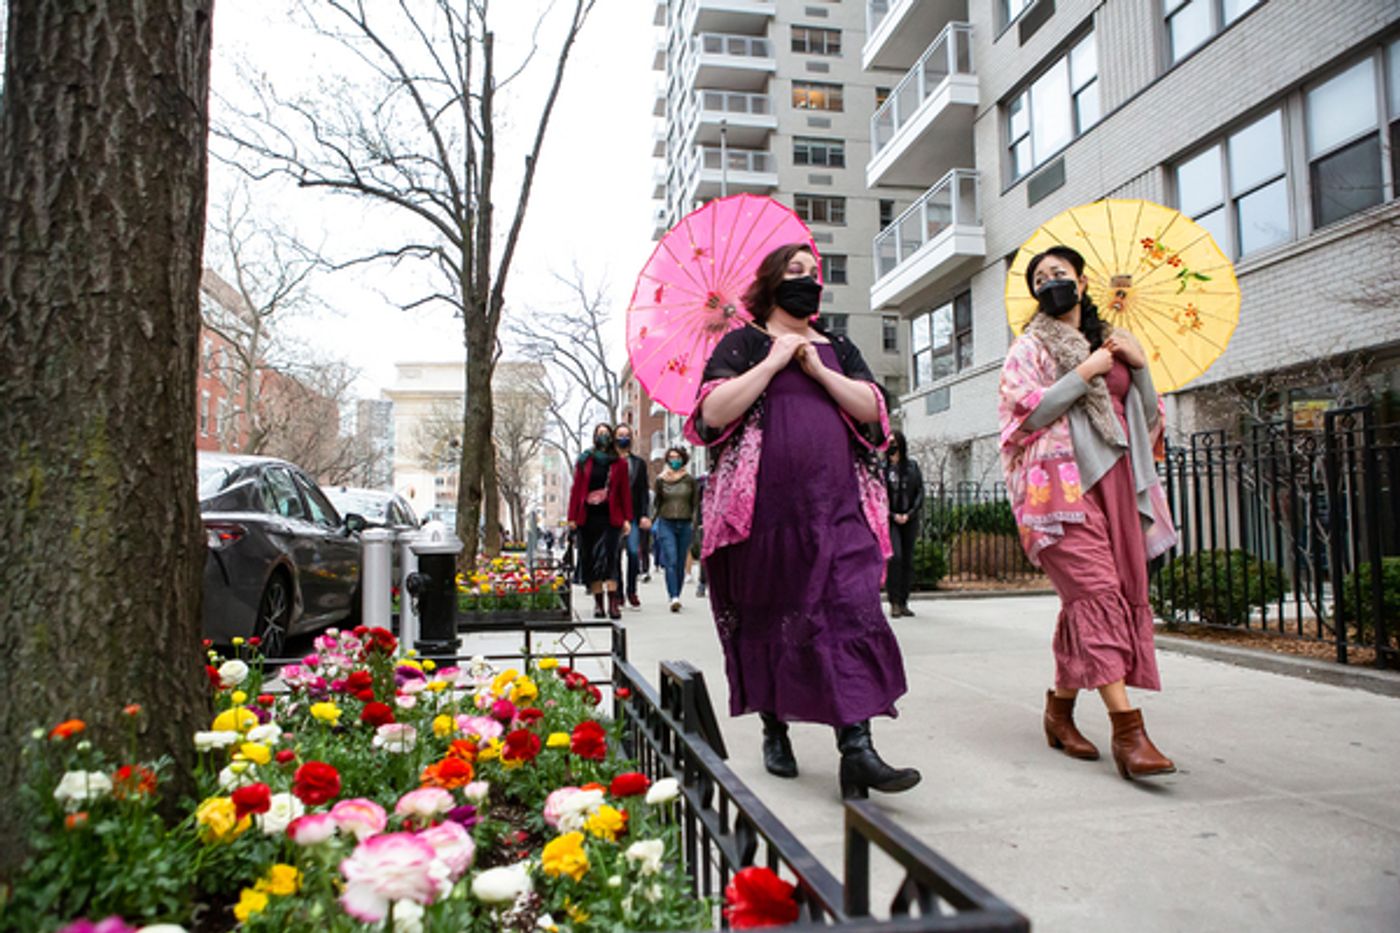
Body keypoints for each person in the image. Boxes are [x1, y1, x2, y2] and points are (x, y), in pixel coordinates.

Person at [685, 242, 920, 800]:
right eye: (795, 271)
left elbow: (874, 412)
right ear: (772, 281)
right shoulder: (743, 343)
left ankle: (857, 750)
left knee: (851, 612)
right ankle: (775, 727)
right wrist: (772, 362)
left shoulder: (838, 346)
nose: (808, 280)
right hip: (763, 517)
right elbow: (711, 413)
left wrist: (817, 369)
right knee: (774, 620)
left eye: (814, 273)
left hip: (839, 510)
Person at [998, 245, 1178, 781]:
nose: (1050, 282)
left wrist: (1139, 367)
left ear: (1081, 282)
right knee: (1096, 595)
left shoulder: (1114, 343)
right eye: (1040, 278)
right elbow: (1025, 414)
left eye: (1060, 273)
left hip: (1117, 483)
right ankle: (1129, 734)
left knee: (1094, 600)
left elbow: (1148, 416)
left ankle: (1058, 713)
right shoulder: (1029, 348)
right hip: (1059, 491)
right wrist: (1083, 373)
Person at [567, 423, 633, 620]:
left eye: (606, 433)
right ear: (595, 437)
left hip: (611, 518)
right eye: (599, 433)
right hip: (588, 518)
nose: (603, 436)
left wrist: (627, 519)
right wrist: (572, 517)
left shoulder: (619, 463)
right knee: (593, 561)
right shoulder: (585, 461)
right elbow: (576, 489)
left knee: (611, 559)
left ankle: (613, 603)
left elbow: (624, 492)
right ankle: (598, 604)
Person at [652, 446, 699, 612]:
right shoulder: (661, 480)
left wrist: (694, 523)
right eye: (671, 458)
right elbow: (657, 503)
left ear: (683, 459)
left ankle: (677, 592)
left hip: (685, 523)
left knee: (680, 561)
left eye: (677, 457)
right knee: (671, 559)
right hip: (666, 523)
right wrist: (651, 520)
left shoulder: (690, 480)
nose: (674, 460)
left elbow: (695, 504)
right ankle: (673, 596)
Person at [883, 430, 924, 618]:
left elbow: (920, 492)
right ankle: (894, 601)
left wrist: (910, 513)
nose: (891, 446)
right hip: (891, 519)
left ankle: (904, 601)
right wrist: (892, 515)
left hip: (909, 519)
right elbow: (879, 496)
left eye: (894, 442)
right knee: (896, 558)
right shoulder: (883, 469)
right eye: (889, 442)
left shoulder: (912, 467)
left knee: (907, 560)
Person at [612, 423, 651, 609]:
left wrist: (644, 514)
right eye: (620, 435)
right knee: (615, 556)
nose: (623, 438)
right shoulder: (609, 462)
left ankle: (632, 590)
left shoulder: (639, 464)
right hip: (613, 516)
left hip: (633, 515)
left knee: (634, 553)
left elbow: (644, 491)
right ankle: (618, 592)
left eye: (626, 435)